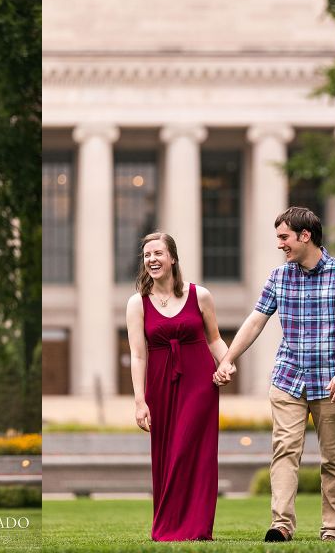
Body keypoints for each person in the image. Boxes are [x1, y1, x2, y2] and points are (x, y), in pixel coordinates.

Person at [214, 206, 335, 542]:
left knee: (334, 458)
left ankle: (333, 528)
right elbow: (256, 320)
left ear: (305, 236)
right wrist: (227, 358)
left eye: (284, 237)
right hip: (288, 379)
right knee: (284, 450)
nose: (279, 244)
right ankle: (281, 525)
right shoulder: (278, 276)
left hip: (332, 383)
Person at [126, 232, 228, 541]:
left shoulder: (201, 295)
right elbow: (138, 354)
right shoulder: (137, 303)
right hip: (160, 384)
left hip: (199, 381)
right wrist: (139, 401)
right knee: (168, 455)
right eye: (147, 255)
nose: (152, 259)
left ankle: (197, 527)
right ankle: (169, 527)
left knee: (193, 451)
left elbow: (214, 339)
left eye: (158, 253)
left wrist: (226, 362)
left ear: (173, 258)